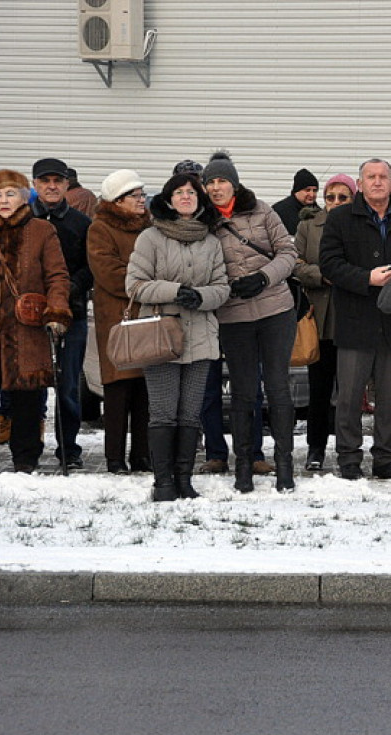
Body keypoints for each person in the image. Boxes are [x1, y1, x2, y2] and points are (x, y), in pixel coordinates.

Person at [319, 158, 391, 480]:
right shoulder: (341, 218)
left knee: (390, 398)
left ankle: (386, 459)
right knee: (349, 397)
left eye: (383, 176)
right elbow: (328, 263)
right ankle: (349, 459)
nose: (378, 182)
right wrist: (365, 278)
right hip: (355, 321)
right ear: (361, 183)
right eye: (371, 177)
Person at [126, 174, 230, 501]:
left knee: (190, 412)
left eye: (191, 192)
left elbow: (222, 287)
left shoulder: (211, 242)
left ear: (200, 200)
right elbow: (135, 285)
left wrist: (201, 297)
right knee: (163, 411)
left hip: (200, 337)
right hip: (160, 335)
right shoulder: (150, 238)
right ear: (169, 200)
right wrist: (175, 291)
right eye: (179, 193)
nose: (186, 197)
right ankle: (163, 482)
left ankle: (183, 479)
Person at [204, 151, 298, 494]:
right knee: (244, 394)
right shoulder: (203, 220)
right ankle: (243, 466)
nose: (216, 188)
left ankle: (284, 465)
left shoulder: (262, 210)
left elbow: (288, 254)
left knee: (277, 388)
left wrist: (262, 278)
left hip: (276, 310)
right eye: (210, 182)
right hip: (234, 314)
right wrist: (227, 289)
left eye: (222, 181)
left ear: (234, 183)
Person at [0, 169, 72, 473]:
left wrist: (56, 311)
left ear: (25, 196)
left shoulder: (41, 230)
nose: (3, 200)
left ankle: (26, 459)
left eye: (10, 193)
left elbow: (57, 276)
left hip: (25, 326)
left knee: (27, 396)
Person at [87, 169, 152, 474]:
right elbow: (108, 274)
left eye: (142, 194)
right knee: (117, 389)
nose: (142, 200)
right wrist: (146, 281)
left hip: (148, 315)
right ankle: (115, 457)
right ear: (119, 199)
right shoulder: (100, 229)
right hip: (116, 318)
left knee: (144, 389)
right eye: (136, 195)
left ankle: (142, 454)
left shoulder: (150, 227)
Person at [30, 157, 91, 470]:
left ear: (67, 185)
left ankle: (69, 448)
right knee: (31, 384)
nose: (51, 186)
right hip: (28, 317)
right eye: (45, 181)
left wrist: (66, 291)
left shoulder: (81, 224)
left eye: (57, 181)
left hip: (73, 315)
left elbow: (90, 268)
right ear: (35, 185)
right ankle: (28, 447)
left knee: (68, 386)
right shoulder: (22, 218)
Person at [294, 172, 356, 472]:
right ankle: (315, 448)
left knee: (349, 390)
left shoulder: (359, 225)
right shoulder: (308, 225)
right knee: (318, 388)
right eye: (330, 197)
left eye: (342, 197)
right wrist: (320, 275)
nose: (335, 203)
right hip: (319, 317)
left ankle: (348, 447)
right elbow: (295, 263)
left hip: (351, 317)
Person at [272, 168, 320, 236]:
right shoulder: (279, 210)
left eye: (314, 190)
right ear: (297, 191)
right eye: (307, 190)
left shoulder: (319, 212)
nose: (312, 194)